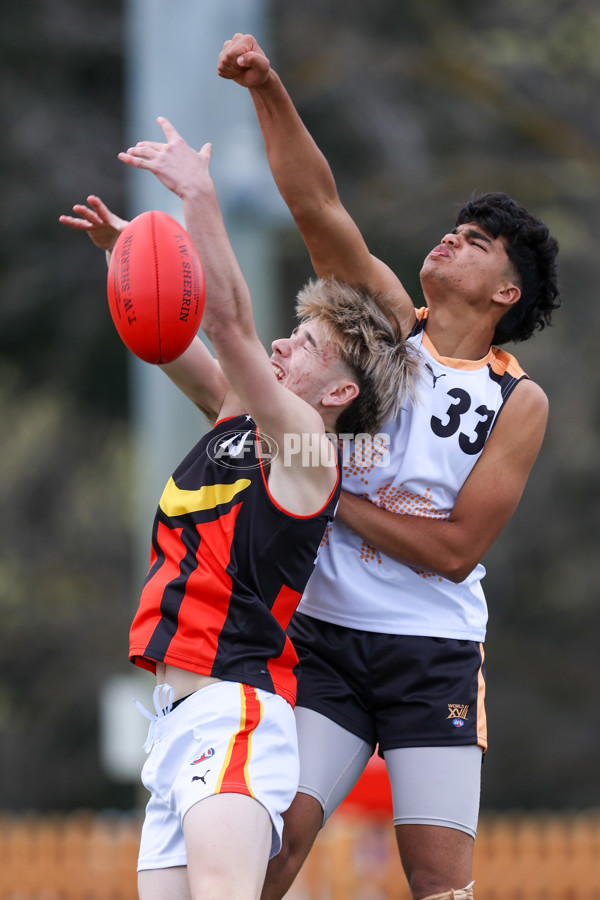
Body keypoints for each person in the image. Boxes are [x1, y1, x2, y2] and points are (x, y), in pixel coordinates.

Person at [216, 33, 561, 900]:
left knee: (438, 886)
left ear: (504, 293)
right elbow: (316, 205)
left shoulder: (519, 402)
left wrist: (327, 489)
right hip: (326, 638)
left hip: (432, 655)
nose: (451, 238)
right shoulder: (380, 330)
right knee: (274, 842)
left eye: (476, 241)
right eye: (454, 227)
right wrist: (266, 86)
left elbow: (452, 552)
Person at [60, 118, 418, 900]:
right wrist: (134, 260)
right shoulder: (237, 421)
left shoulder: (306, 450)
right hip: (177, 717)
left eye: (307, 345)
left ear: (340, 393)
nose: (283, 349)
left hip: (234, 710)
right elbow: (172, 333)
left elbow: (226, 323)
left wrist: (199, 200)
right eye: (288, 335)